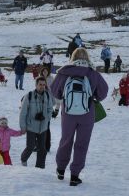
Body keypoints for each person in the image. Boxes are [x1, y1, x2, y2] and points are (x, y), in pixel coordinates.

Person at [50, 47, 109, 186]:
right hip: (87, 113)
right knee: (82, 144)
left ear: (73, 57)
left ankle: (60, 169)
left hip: (68, 113)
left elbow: (54, 91)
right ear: (87, 57)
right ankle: (75, 175)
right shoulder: (93, 73)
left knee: (66, 140)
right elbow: (103, 93)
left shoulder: (64, 71)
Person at [19, 76, 54, 168]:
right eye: (40, 84)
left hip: (43, 127)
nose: (42, 86)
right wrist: (23, 126)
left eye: (43, 84)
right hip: (31, 126)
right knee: (30, 147)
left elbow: (50, 109)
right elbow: (23, 112)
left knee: (42, 149)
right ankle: (23, 159)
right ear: (36, 85)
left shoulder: (47, 95)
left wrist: (46, 118)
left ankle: (40, 167)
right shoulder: (29, 96)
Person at [39, 66, 62, 153]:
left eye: (46, 71)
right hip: (39, 102)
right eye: (44, 71)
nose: (45, 72)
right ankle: (38, 145)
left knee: (46, 127)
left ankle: (47, 146)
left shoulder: (51, 78)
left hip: (48, 101)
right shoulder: (39, 78)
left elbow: (54, 88)